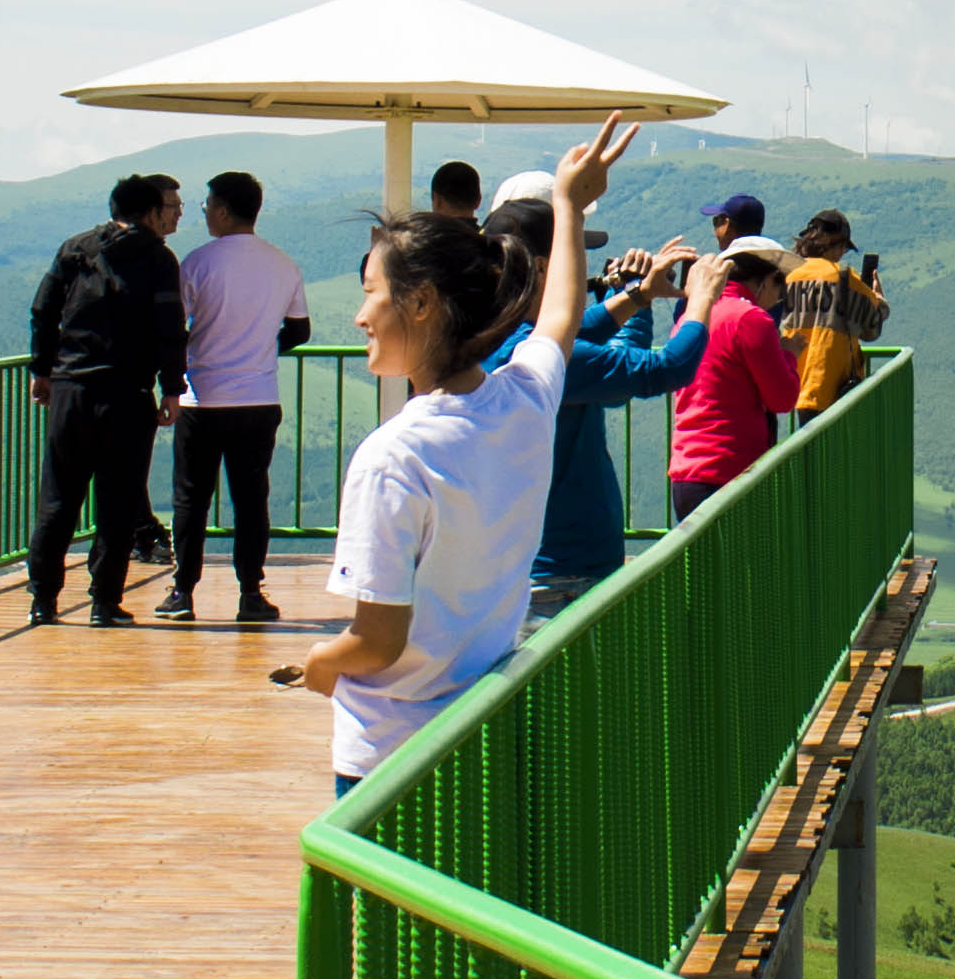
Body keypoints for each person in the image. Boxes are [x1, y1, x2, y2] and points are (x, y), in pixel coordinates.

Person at [274, 122, 631, 786]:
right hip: (480, 733)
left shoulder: (393, 457)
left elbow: (377, 642)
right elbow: (560, 315)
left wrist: (323, 661)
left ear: (421, 303)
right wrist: (569, 207)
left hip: (388, 754)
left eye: (369, 293)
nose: (359, 316)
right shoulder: (523, 403)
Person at [492, 183, 705, 613]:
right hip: (563, 570)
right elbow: (664, 368)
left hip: (535, 565)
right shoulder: (534, 359)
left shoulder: (496, 333)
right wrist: (702, 299)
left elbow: (574, 329)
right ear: (541, 266)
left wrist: (637, 294)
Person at [24, 170, 192, 624]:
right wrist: (173, 388)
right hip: (127, 394)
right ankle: (103, 602)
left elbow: (43, 310)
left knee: (58, 498)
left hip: (70, 390)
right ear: (151, 212)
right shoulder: (159, 259)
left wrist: (42, 369)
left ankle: (42, 601)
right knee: (117, 502)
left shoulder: (76, 248)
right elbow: (168, 329)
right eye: (169, 209)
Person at [162, 169, 303, 627]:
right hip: (259, 399)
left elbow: (172, 328)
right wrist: (262, 346)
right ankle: (251, 593)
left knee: (190, 499)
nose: (203, 213)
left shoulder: (197, 263)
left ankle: (183, 591)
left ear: (221, 210)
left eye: (205, 206)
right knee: (250, 499)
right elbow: (299, 329)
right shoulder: (282, 263)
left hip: (202, 399)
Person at [668, 239, 802, 505]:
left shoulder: (692, 317)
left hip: (687, 472)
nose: (778, 298)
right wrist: (789, 355)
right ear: (767, 280)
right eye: (780, 286)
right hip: (730, 472)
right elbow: (782, 398)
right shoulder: (752, 319)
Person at [782, 209, 888, 412]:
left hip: (796, 388)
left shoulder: (790, 275)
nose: (842, 254)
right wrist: (880, 302)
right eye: (844, 248)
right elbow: (871, 330)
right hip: (833, 394)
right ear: (836, 243)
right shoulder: (845, 278)